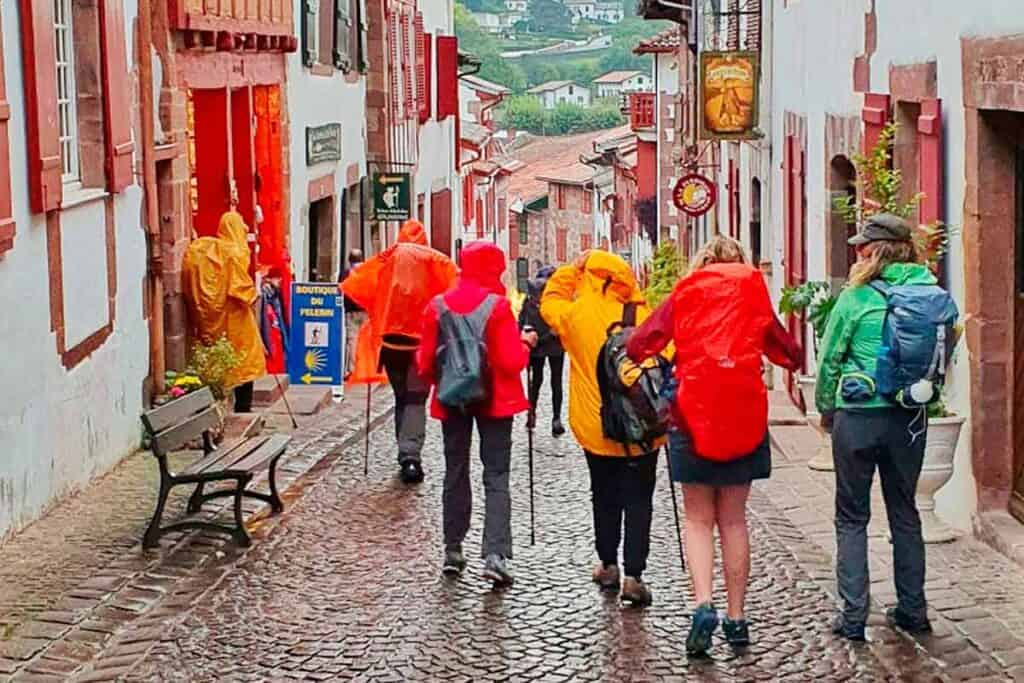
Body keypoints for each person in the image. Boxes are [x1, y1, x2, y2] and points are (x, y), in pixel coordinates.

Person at [626, 235, 801, 656]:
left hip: (692, 413)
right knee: (735, 521)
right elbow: (788, 353)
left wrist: (671, 355)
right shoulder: (754, 290)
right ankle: (737, 618)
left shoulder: (686, 292)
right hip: (743, 413)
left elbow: (639, 343)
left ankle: (703, 603)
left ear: (701, 262)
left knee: (698, 519)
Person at [816, 214, 936, 641]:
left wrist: (826, 408)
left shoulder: (857, 297)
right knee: (905, 512)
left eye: (863, 245)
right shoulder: (930, 292)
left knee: (851, 517)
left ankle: (852, 617)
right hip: (908, 418)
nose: (857, 251)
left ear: (876, 250)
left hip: (859, 413)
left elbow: (830, 358)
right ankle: (913, 610)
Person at [540, 249, 662, 606]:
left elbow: (550, 300)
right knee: (640, 499)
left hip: (597, 426)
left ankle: (608, 564)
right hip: (643, 428)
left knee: (604, 494)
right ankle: (635, 575)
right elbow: (667, 358)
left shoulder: (576, 314)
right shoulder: (643, 314)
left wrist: (571, 269)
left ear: (589, 276)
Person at [417, 241, 537, 585]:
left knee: (455, 471)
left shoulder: (437, 306)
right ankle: (494, 555)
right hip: (495, 401)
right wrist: (525, 345)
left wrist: (446, 376)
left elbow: (425, 362)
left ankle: (453, 549)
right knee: (496, 475)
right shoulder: (497, 307)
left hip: (453, 398)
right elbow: (510, 361)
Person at [341, 220, 457, 484]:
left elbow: (357, 283)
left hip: (391, 347)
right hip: (420, 346)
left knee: (402, 398)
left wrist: (376, 309)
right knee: (415, 400)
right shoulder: (434, 261)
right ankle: (411, 457)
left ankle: (404, 451)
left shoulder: (389, 257)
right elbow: (451, 289)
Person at [182, 211, 267, 412]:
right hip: (236, 321)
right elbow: (242, 291)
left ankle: (215, 407)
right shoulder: (233, 254)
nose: (246, 228)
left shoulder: (203, 251)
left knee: (217, 363)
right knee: (245, 363)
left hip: (211, 321)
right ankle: (243, 408)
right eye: (242, 224)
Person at [518, 265, 566, 436]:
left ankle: (531, 412)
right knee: (556, 382)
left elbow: (521, 322)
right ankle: (556, 418)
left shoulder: (529, 298)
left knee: (535, 381)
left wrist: (525, 336)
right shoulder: (558, 297)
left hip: (535, 344)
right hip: (555, 344)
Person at [341, 249, 365, 379]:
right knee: (364, 341)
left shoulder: (346, 273)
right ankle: (365, 369)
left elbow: (341, 289)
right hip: (366, 311)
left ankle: (353, 370)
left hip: (351, 312)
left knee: (352, 341)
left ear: (349, 260)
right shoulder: (368, 271)